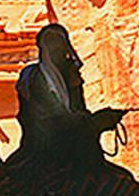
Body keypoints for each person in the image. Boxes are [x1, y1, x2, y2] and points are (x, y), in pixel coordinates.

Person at [15, 23, 125, 170]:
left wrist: (96, 120)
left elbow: (78, 109)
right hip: (44, 149)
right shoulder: (33, 77)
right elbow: (49, 119)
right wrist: (94, 122)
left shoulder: (71, 74)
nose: (58, 50)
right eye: (53, 45)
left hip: (75, 144)